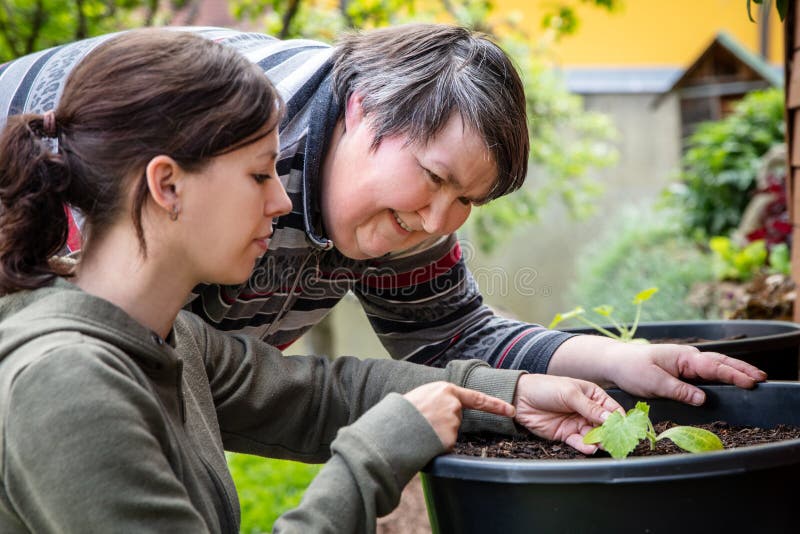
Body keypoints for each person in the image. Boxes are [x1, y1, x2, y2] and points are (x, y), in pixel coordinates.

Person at [0, 29, 625, 533]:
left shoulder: (172, 340)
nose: (282, 202)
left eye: (467, 200)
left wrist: (506, 394)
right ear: (166, 185)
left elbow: (316, 394)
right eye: (260, 175)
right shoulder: (67, 385)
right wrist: (371, 460)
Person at [0, 24, 766, 408]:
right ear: (363, 109)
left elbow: (448, 334)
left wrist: (609, 360)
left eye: (468, 201)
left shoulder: (394, 206)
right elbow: (114, 370)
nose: (437, 220)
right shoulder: (224, 144)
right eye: (434, 179)